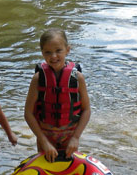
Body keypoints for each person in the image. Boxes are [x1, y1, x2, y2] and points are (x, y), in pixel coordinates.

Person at [24, 28, 90, 162]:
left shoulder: (78, 78)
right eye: (48, 52)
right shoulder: (38, 79)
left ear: (67, 49)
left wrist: (76, 137)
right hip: (46, 135)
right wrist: (43, 141)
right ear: (42, 53)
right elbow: (28, 113)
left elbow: (86, 110)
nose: (53, 56)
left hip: (70, 135)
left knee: (68, 169)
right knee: (47, 168)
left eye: (58, 50)